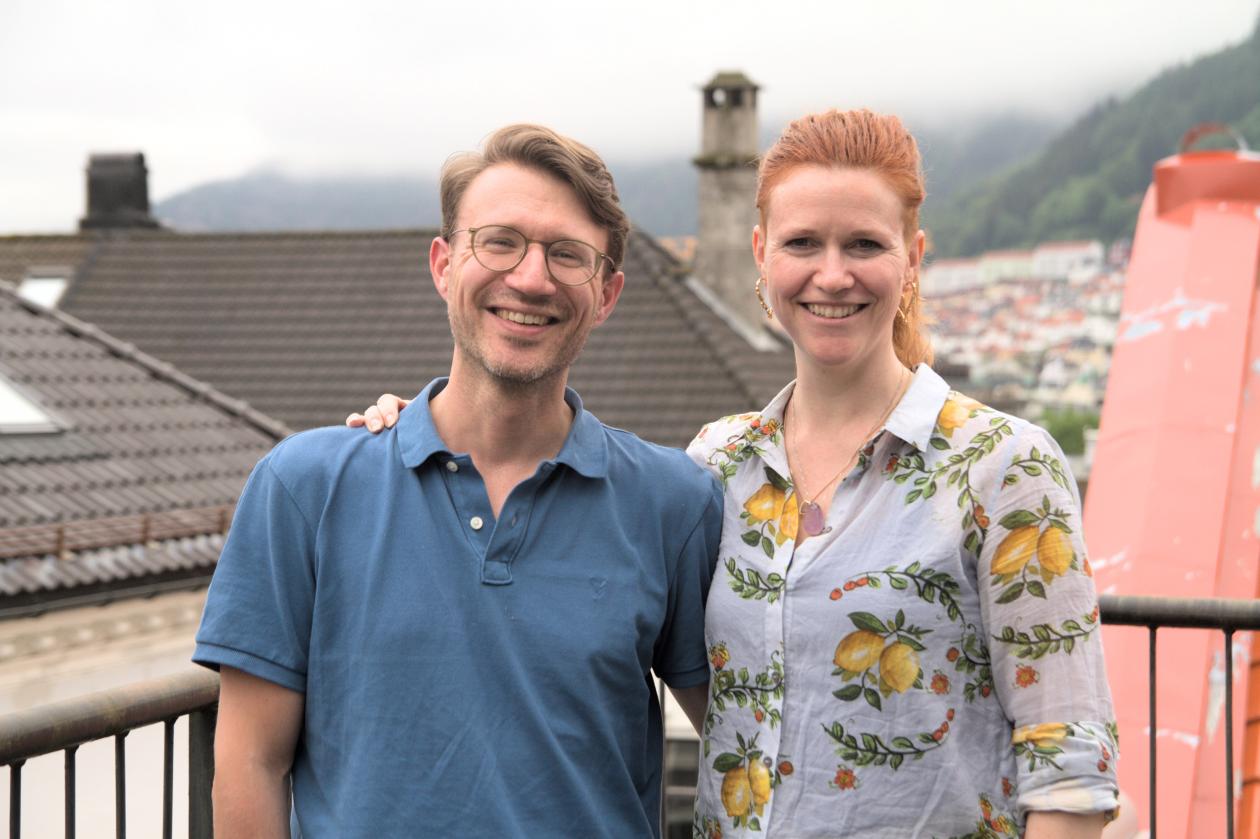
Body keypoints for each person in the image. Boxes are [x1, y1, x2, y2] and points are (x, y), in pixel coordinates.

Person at [354, 109, 1121, 838]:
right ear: (761, 254)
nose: (832, 274)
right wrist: (420, 427)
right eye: (802, 243)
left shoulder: (1004, 468)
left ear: (913, 258)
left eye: (863, 244)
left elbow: (1071, 770)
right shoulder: (718, 466)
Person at [195, 124, 722, 838]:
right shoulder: (303, 488)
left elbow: (754, 745)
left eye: (568, 255)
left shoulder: (675, 503)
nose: (531, 278)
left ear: (606, 294)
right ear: (444, 265)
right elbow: (251, 764)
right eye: (500, 242)